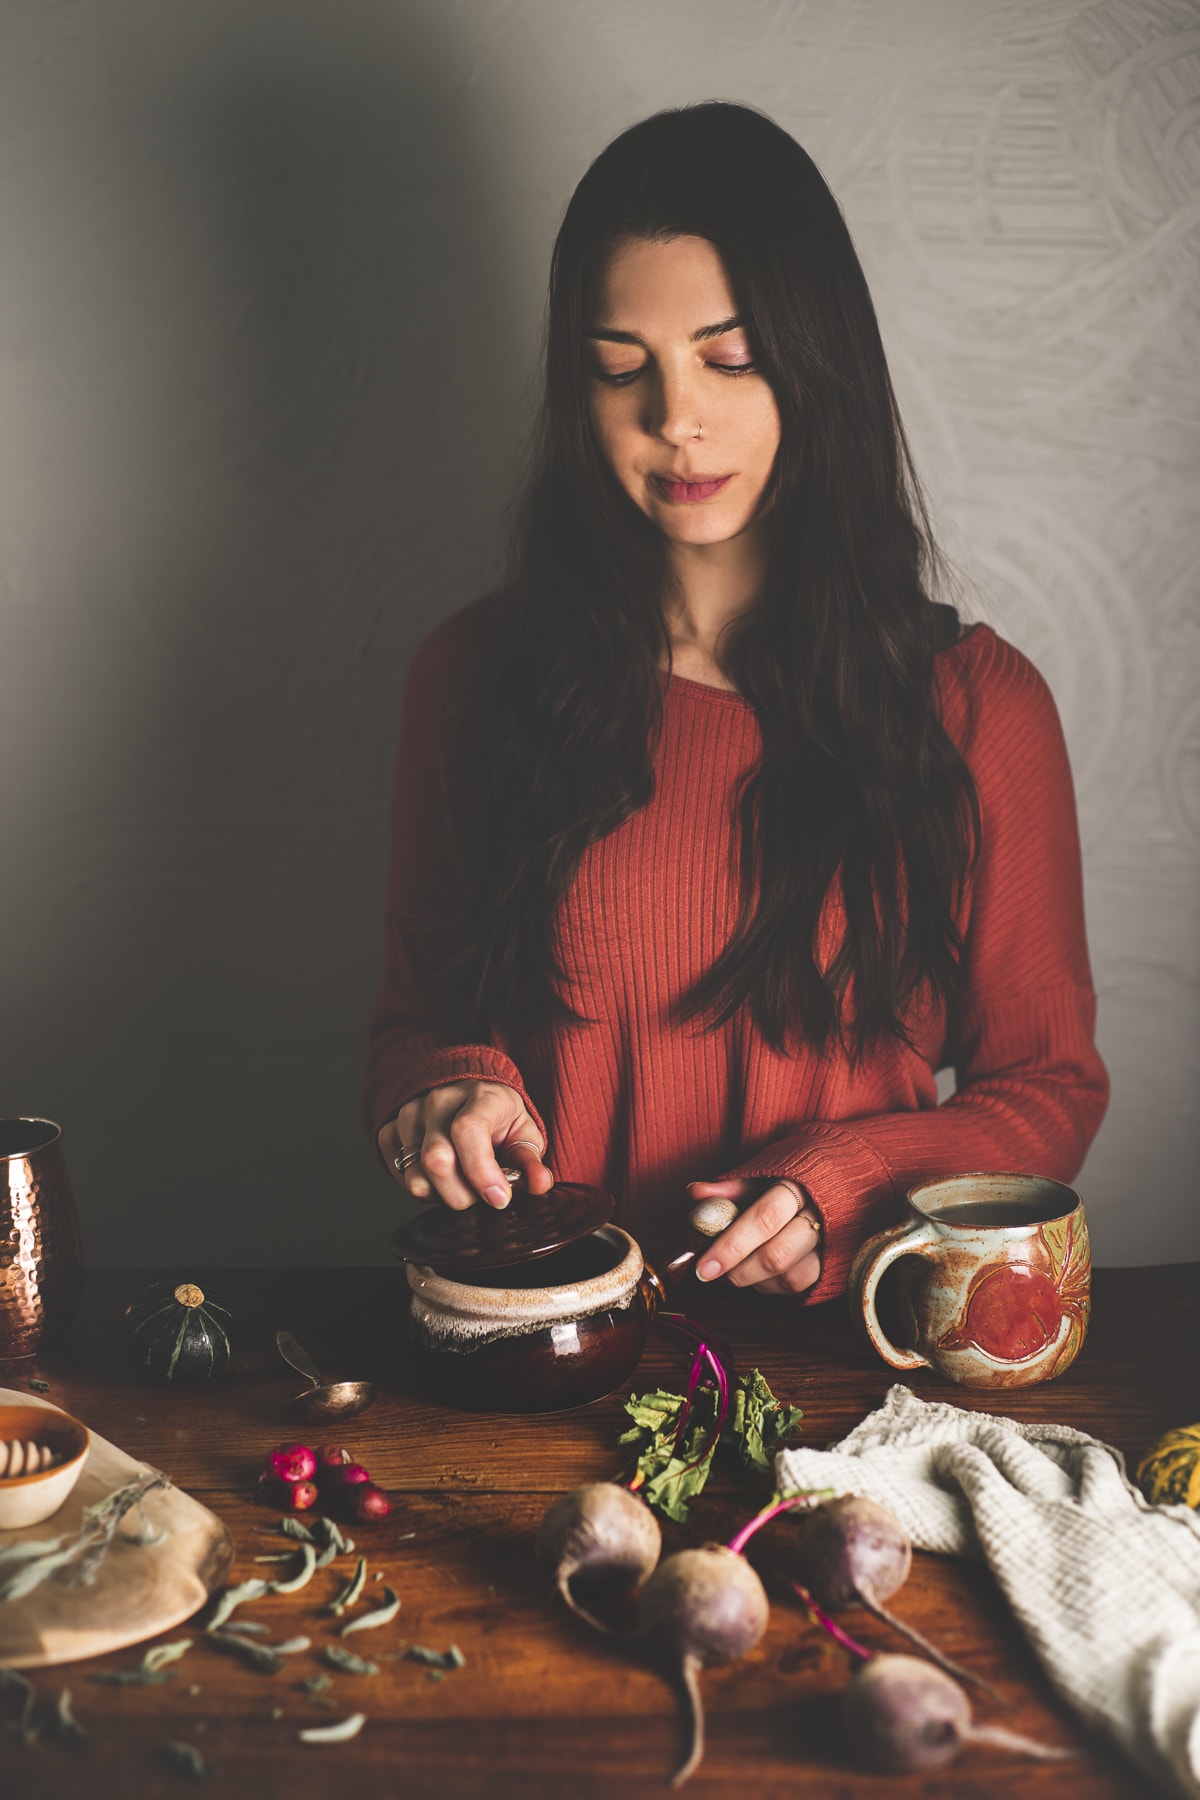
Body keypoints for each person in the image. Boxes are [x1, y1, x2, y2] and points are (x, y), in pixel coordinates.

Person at [362, 102, 1108, 1305]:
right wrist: (444, 1089)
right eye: (621, 369)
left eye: (731, 355)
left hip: (858, 1370)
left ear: (816, 362)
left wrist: (852, 1176)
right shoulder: (468, 676)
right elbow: (412, 1023)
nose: (674, 420)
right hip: (540, 1356)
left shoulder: (978, 708)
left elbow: (1048, 1088)